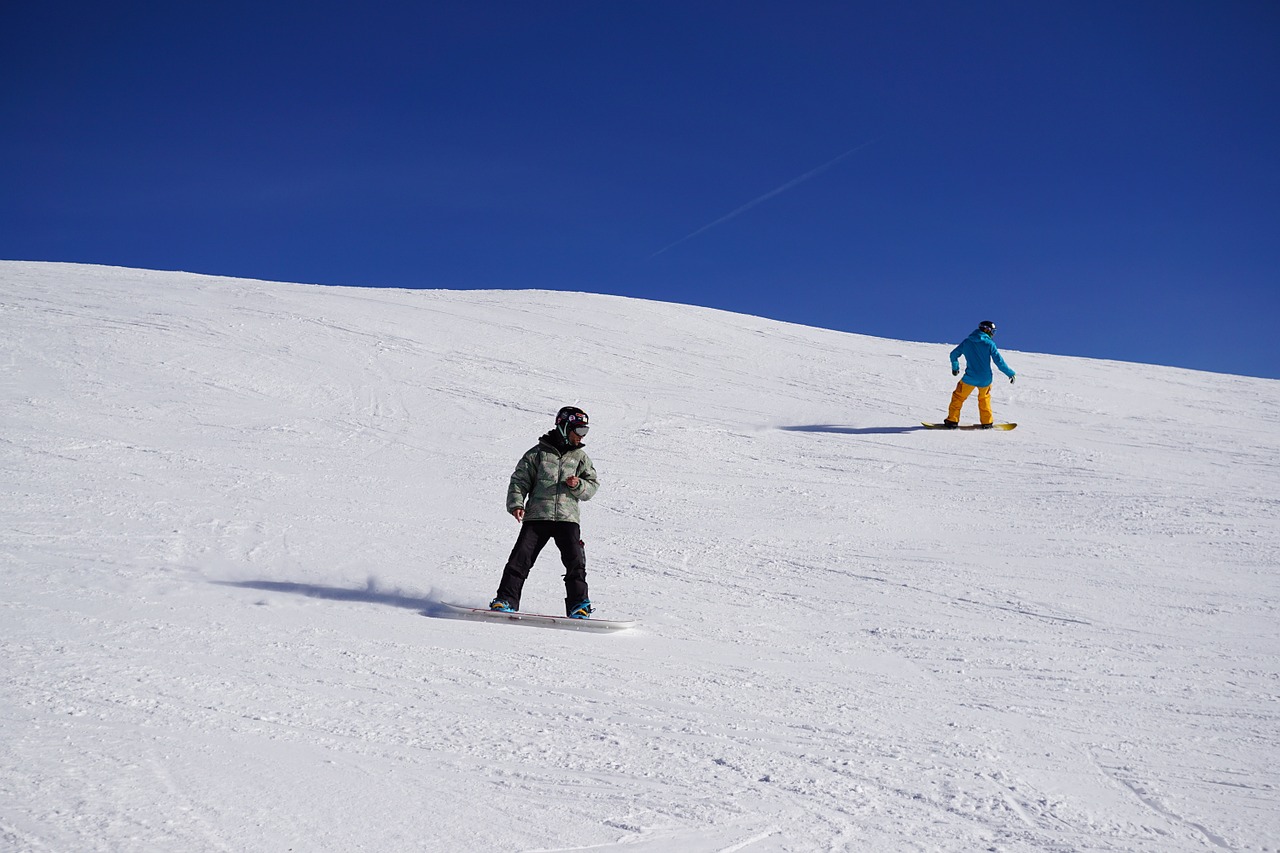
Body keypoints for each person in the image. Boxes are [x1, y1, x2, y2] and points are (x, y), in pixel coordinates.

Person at [490, 406, 600, 618]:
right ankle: (505, 600)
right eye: (579, 431)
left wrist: (578, 485)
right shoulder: (537, 454)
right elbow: (520, 480)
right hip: (538, 516)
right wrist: (517, 504)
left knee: (575, 562)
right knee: (520, 559)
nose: (581, 436)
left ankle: (579, 605)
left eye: (585, 432)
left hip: (568, 519)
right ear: (564, 427)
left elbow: (592, 486)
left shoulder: (580, 458)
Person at [943, 320, 1016, 428]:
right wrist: (1010, 373)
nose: (992, 334)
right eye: (992, 331)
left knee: (958, 397)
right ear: (986, 330)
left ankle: (952, 421)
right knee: (984, 399)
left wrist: (955, 367)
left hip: (970, 378)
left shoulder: (967, 342)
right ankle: (987, 423)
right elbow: (999, 362)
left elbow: (953, 354)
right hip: (985, 379)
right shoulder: (989, 344)